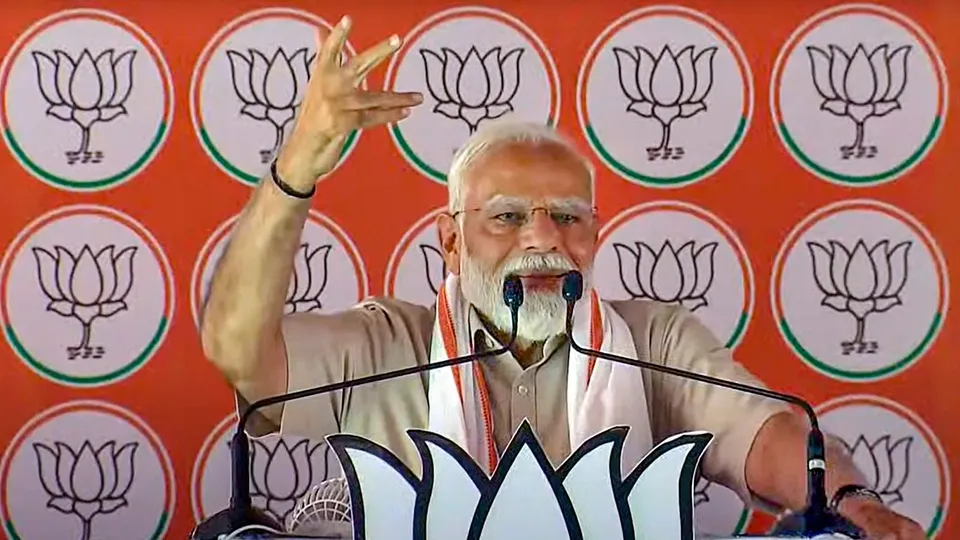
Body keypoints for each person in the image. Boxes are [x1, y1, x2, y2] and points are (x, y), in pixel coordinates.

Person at [199, 16, 925, 540]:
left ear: (597, 236)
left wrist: (849, 499)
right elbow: (236, 347)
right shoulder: (384, 344)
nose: (543, 239)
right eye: (508, 217)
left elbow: (765, 434)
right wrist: (295, 169)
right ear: (449, 241)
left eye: (569, 218)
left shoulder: (654, 341)